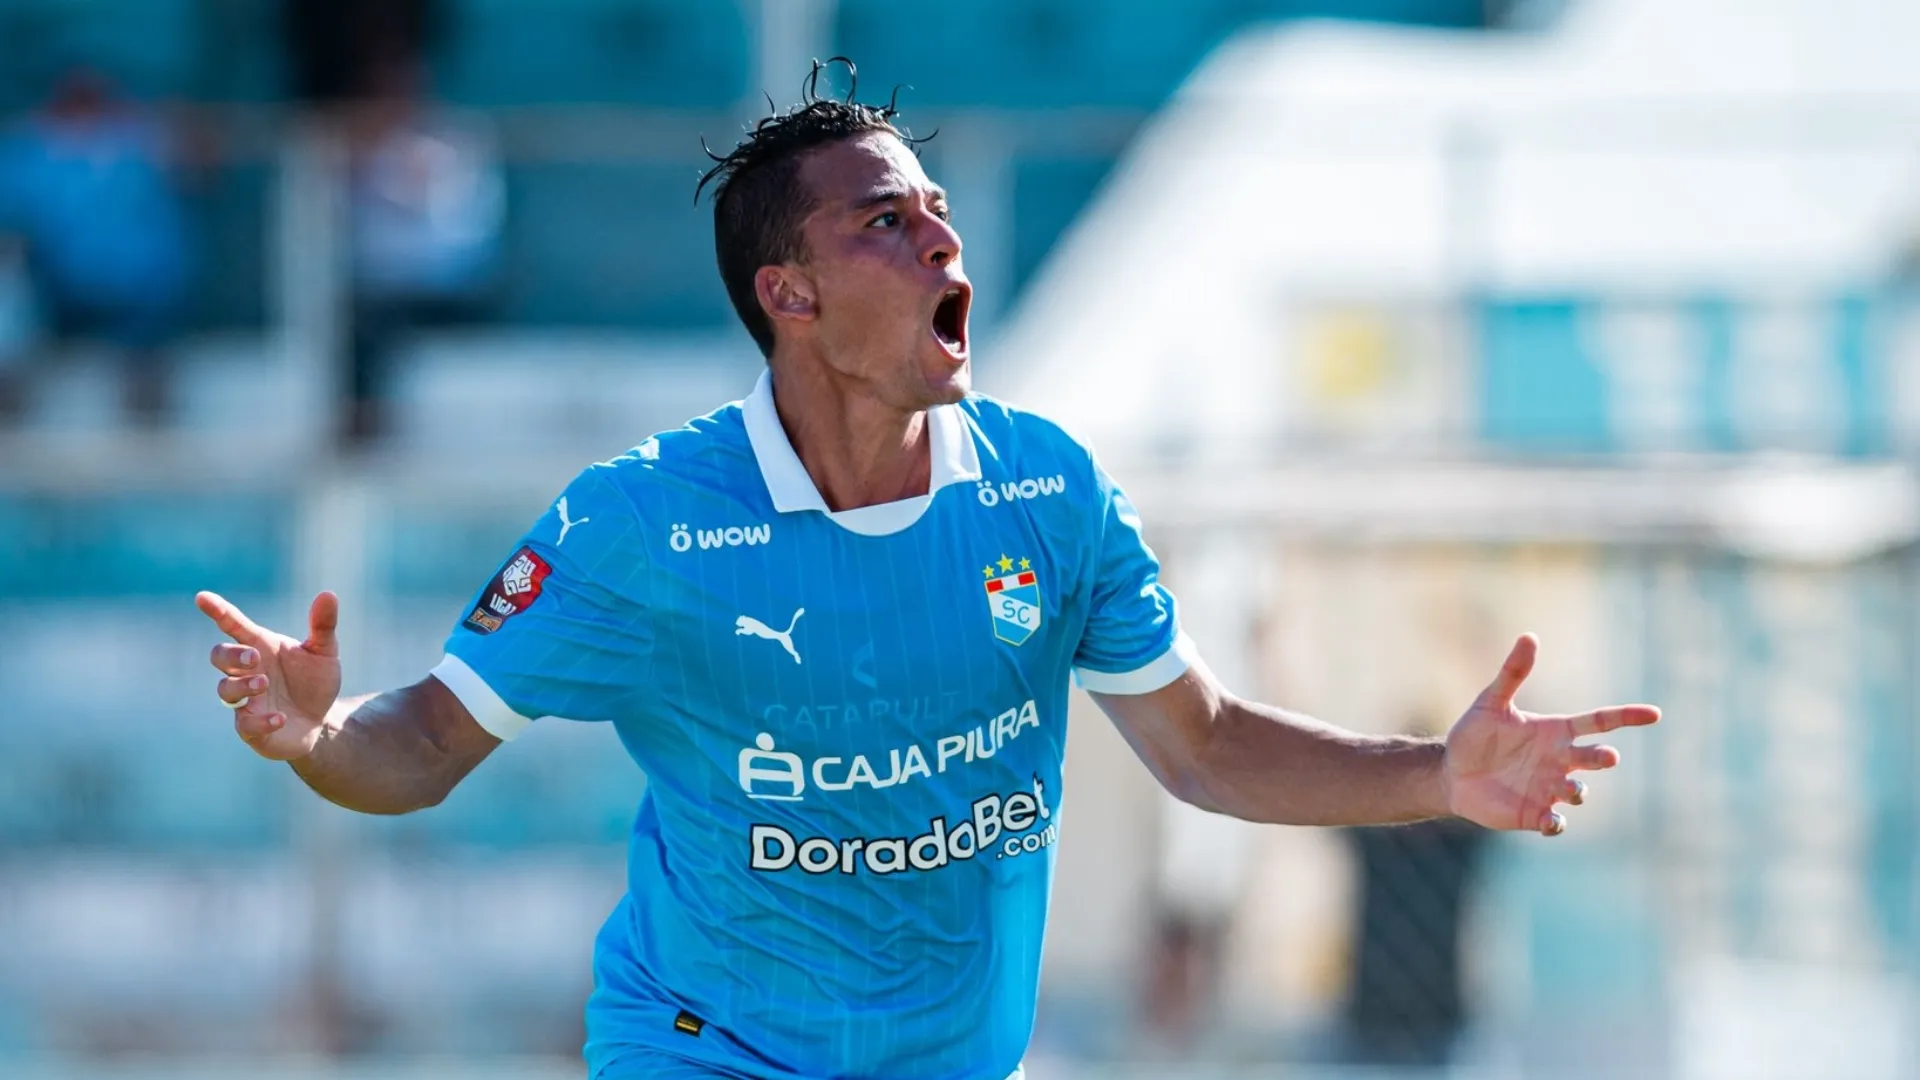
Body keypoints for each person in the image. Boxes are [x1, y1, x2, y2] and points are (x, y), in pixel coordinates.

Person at [193, 62, 1659, 1080]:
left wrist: (1436, 778)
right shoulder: (641, 525)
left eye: (936, 208)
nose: (941, 233)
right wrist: (322, 735)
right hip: (705, 1047)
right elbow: (423, 749)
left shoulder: (1047, 490)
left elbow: (1202, 748)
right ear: (792, 293)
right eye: (884, 219)